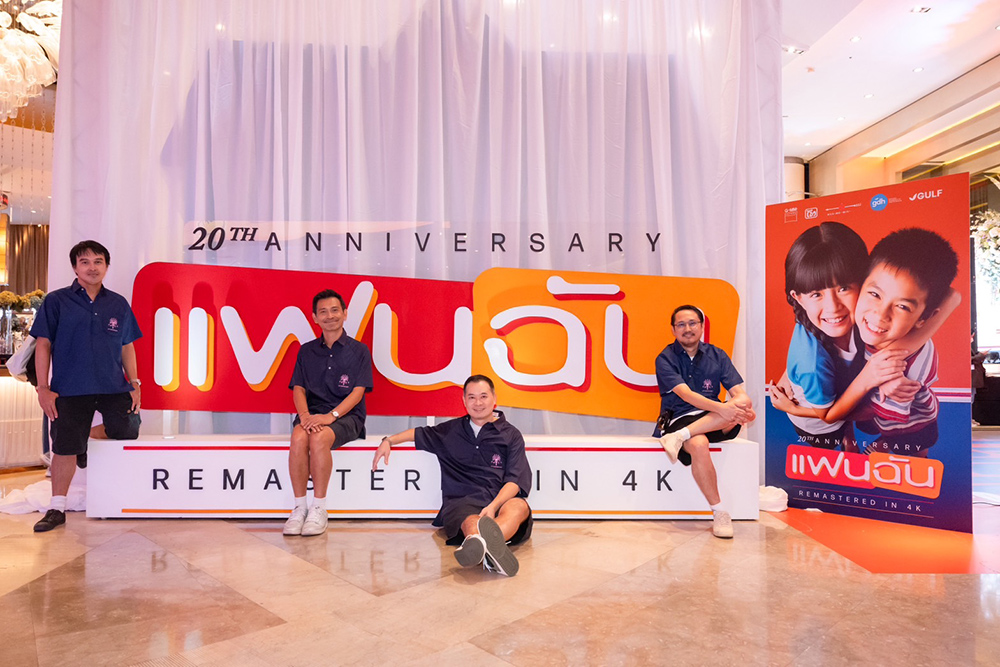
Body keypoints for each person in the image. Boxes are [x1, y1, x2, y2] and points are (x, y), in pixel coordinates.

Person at [31, 240, 142, 532]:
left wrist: (134, 382)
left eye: (98, 261)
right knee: (64, 446)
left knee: (128, 428)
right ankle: (57, 508)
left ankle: (85, 440)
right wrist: (43, 388)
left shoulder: (118, 303)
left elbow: (127, 346)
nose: (92, 267)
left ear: (106, 266)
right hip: (70, 387)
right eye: (85, 262)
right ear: (75, 267)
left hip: (113, 385)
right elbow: (43, 344)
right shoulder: (57, 301)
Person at [372, 374, 531, 576]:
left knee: (519, 506)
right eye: (472, 397)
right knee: (472, 522)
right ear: (464, 401)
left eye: (483, 396)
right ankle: (489, 548)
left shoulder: (511, 435)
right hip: (463, 502)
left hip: (500, 499)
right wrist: (389, 441)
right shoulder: (450, 431)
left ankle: (483, 548)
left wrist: (493, 506)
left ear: (494, 398)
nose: (478, 403)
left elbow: (514, 481)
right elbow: (418, 433)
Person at [840, 228, 959, 456]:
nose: (880, 314)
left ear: (923, 319)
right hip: (880, 416)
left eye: (902, 306)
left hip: (912, 426)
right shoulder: (857, 327)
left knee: (890, 461)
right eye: (875, 294)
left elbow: (871, 410)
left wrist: (827, 411)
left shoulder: (910, 365)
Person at [653, 305, 754, 539]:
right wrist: (726, 409)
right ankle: (719, 511)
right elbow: (686, 395)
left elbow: (739, 393)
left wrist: (743, 407)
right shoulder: (665, 358)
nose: (687, 329)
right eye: (681, 324)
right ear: (673, 330)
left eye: (692, 323)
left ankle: (678, 438)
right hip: (681, 417)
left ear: (701, 326)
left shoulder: (717, 355)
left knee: (743, 403)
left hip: (715, 418)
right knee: (699, 444)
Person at [284, 289, 373, 536]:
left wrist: (330, 417)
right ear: (315, 317)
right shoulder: (306, 351)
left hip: (347, 417)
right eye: (323, 312)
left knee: (319, 437)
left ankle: (319, 508)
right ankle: (299, 508)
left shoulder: (359, 351)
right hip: (312, 414)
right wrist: (304, 417)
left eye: (335, 310)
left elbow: (358, 392)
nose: (330, 316)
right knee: (299, 436)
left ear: (345, 313)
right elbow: (298, 388)